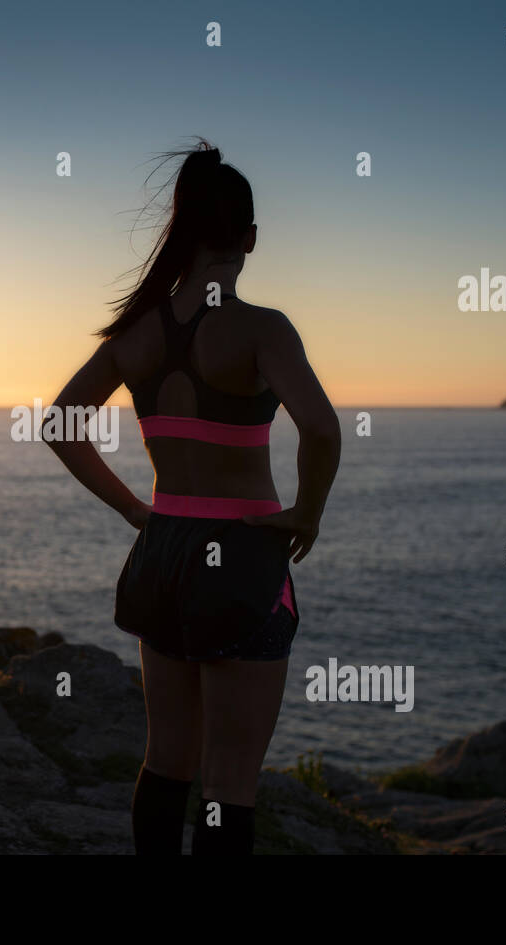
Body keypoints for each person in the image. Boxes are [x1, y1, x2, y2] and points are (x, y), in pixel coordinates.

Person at [45, 139, 341, 854]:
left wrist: (131, 508)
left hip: (163, 552)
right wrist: (308, 513)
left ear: (180, 230)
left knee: (165, 763)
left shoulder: (135, 332)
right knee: (230, 783)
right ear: (249, 239)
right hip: (242, 556)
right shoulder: (263, 329)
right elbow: (323, 428)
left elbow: (60, 424)